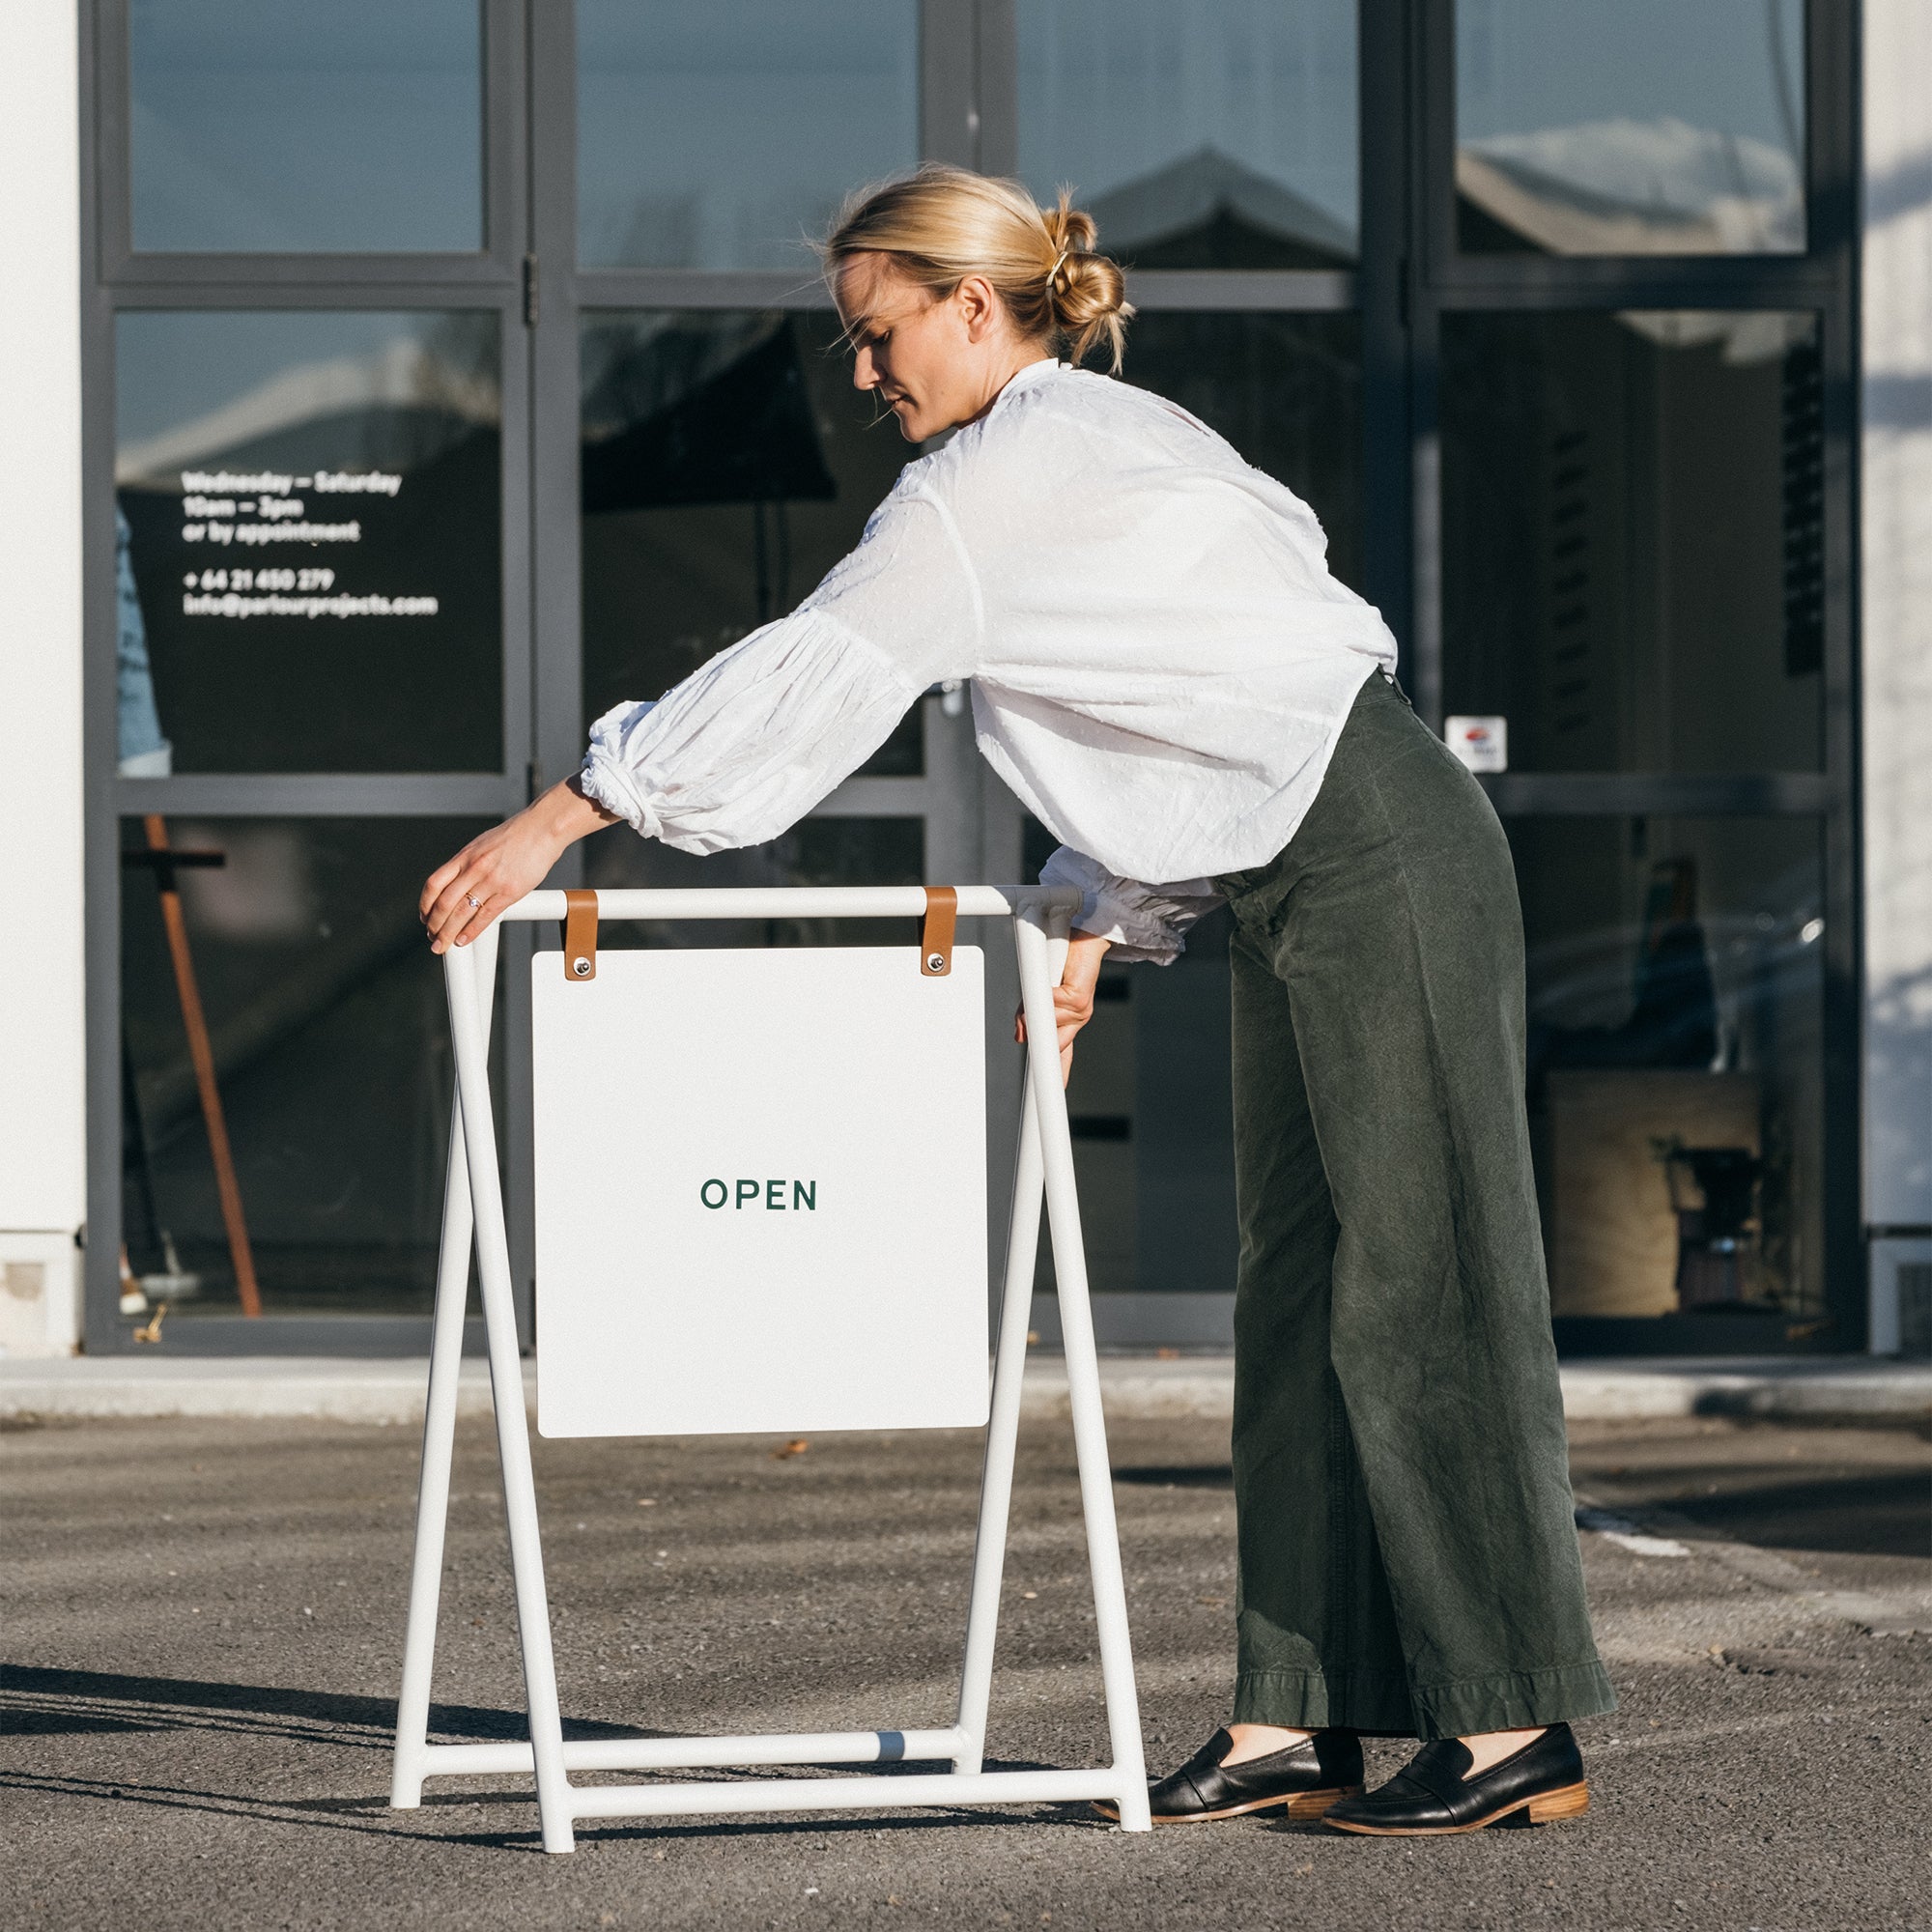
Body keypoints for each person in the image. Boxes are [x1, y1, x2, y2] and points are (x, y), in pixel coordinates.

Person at [419, 164, 1614, 1837]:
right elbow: (1185, 692)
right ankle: (1297, 1713)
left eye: (876, 331)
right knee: (1300, 1292)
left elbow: (815, 670)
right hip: (1302, 855)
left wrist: (568, 812)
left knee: (1424, 1278)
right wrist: (1096, 917)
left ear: (973, 307)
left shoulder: (995, 482)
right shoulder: (1099, 441)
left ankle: (1508, 1728)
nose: (861, 374)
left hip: (1373, 843)